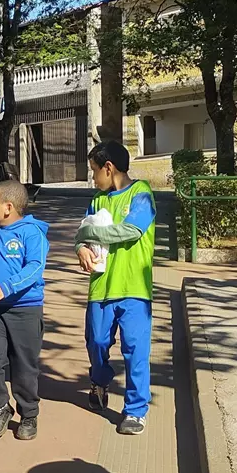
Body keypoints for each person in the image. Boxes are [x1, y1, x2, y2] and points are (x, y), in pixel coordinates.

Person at [76, 140, 156, 436]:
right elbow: (82, 233)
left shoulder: (141, 193)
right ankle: (99, 380)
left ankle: (135, 410)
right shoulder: (97, 200)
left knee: (136, 350)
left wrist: (88, 232)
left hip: (135, 289)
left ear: (108, 168)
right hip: (100, 289)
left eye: (94, 171)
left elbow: (131, 230)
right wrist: (80, 246)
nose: (93, 178)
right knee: (96, 343)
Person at [0, 180, 49, 441]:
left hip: (26, 310)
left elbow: (34, 267)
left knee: (24, 367)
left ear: (8, 207)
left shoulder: (32, 233)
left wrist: (6, 287)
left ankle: (29, 414)